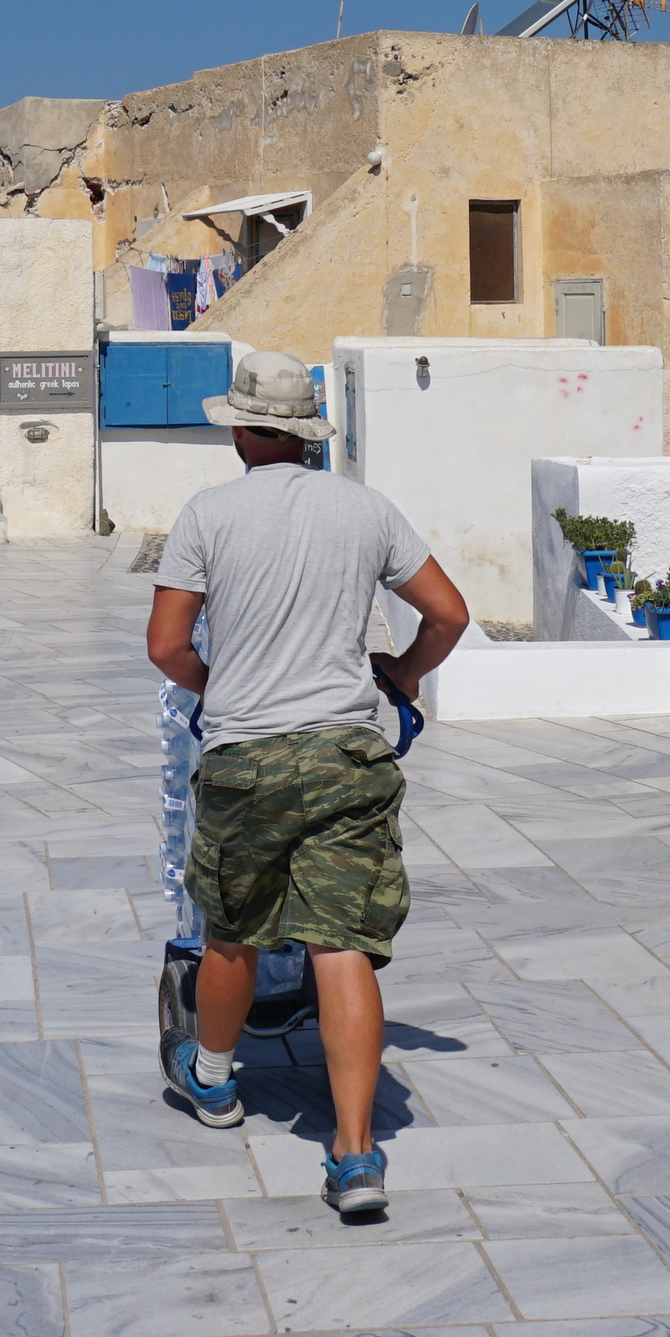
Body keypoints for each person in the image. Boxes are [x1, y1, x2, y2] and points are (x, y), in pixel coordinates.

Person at [144, 346, 468, 1223]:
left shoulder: (207, 514)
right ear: (305, 434)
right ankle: (357, 1155)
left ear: (244, 430)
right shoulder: (367, 509)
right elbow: (450, 613)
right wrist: (400, 673)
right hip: (346, 756)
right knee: (342, 946)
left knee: (231, 935)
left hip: (246, 757)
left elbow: (168, 646)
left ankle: (212, 1081)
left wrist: (225, 688)